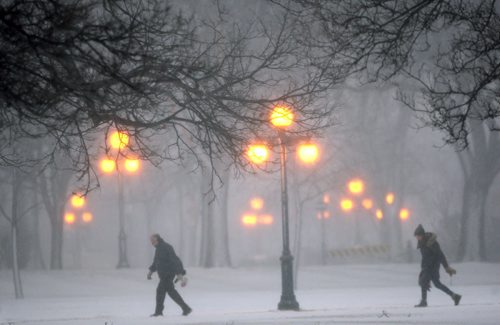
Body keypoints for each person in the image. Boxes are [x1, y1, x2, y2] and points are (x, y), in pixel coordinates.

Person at [414, 224, 462, 307]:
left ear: (422, 235)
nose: (417, 238)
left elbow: (440, 255)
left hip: (432, 266)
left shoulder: (431, 242)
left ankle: (424, 301)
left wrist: (446, 267)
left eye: (418, 236)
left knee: (423, 282)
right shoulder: (422, 243)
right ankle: (454, 296)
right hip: (427, 266)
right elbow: (425, 257)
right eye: (416, 236)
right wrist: (423, 267)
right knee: (436, 284)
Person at [147, 234, 192, 316]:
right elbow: (156, 262)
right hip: (164, 274)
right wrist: (151, 271)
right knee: (170, 292)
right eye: (151, 241)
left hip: (168, 274)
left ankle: (159, 312)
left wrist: (179, 272)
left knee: (161, 291)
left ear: (158, 239)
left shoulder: (166, 247)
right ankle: (186, 308)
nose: (152, 242)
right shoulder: (158, 249)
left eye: (153, 240)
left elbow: (174, 259)